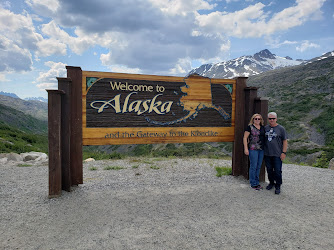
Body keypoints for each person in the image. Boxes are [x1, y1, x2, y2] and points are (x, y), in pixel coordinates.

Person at [264, 112, 288, 195]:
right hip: (267, 153)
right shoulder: (265, 128)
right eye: (270, 118)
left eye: (273, 118)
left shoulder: (281, 129)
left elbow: (285, 141)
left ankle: (278, 185)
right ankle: (271, 183)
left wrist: (284, 152)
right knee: (269, 170)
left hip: (277, 154)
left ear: (276, 119)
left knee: (277, 170)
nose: (271, 120)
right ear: (268, 119)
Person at [243, 114, 265, 190]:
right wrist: (246, 148)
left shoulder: (263, 128)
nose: (257, 120)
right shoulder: (250, 127)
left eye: (259, 119)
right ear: (253, 119)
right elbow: (245, 137)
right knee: (253, 166)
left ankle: (257, 182)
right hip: (253, 149)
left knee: (258, 166)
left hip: (261, 149)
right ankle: (253, 183)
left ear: (261, 120)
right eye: (256, 119)